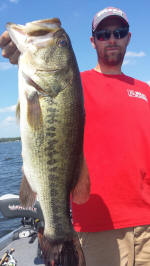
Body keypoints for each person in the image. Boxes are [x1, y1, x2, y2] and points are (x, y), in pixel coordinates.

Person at [1, 6, 150, 266]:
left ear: (128, 37)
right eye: (103, 34)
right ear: (93, 42)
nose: (112, 38)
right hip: (98, 227)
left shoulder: (146, 91)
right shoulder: (74, 84)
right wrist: (19, 53)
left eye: (119, 32)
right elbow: (42, 78)